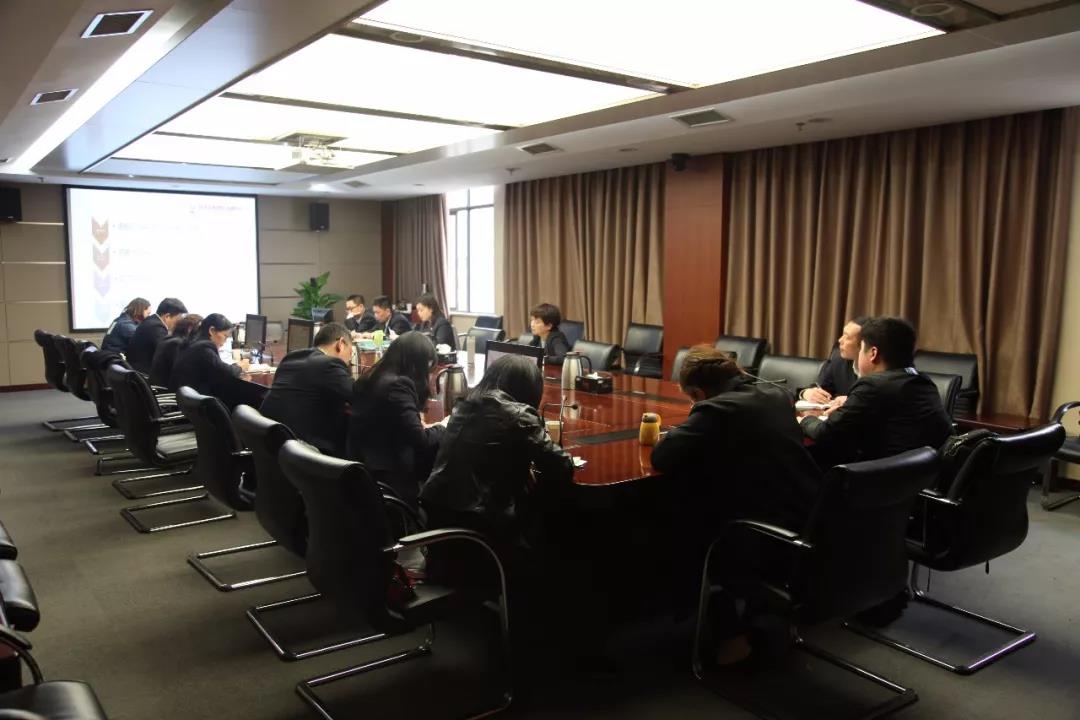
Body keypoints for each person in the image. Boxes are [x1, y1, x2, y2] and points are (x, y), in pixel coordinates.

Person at [652, 345, 822, 667]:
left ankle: (731, 639)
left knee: (687, 527)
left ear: (697, 393)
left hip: (769, 536)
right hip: (812, 518)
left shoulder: (715, 410)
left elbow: (663, 456)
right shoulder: (776, 396)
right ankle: (763, 618)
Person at [422, 354, 573, 547]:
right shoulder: (519, 414)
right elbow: (562, 465)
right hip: (480, 526)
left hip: (437, 519)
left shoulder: (464, 405)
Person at [799, 316, 953, 467]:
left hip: (883, 476)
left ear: (873, 353)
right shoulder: (924, 382)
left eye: (861, 349)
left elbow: (825, 434)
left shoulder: (873, 385)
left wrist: (805, 419)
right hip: (925, 473)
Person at [347, 331, 444, 503]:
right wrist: (443, 427)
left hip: (365, 468)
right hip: (390, 478)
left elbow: (396, 421)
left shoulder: (372, 377)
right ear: (416, 363)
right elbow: (420, 440)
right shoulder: (398, 385)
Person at [260, 322, 355, 457]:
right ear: (341, 344)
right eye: (350, 352)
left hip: (272, 444)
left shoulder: (290, 357)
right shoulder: (328, 364)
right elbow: (359, 396)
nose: (349, 360)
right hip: (304, 453)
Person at [169, 313, 267, 410]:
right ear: (212, 331)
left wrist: (236, 367)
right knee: (253, 396)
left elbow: (218, 369)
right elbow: (226, 372)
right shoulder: (203, 348)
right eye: (225, 336)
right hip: (197, 405)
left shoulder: (192, 343)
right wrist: (240, 367)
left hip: (187, 401)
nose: (224, 342)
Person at [799, 316, 869, 407]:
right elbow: (820, 387)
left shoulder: (880, 369)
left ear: (864, 344)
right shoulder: (838, 360)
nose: (840, 340)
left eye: (847, 337)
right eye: (842, 335)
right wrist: (806, 393)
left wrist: (852, 401)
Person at [126, 297, 187, 374]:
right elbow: (168, 355)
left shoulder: (151, 321)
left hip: (135, 370)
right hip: (142, 375)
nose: (177, 325)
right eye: (177, 321)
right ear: (167, 317)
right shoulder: (156, 328)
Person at [148, 313, 202, 388]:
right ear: (190, 328)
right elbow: (179, 375)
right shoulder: (177, 344)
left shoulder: (168, 339)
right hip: (165, 392)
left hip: (157, 388)